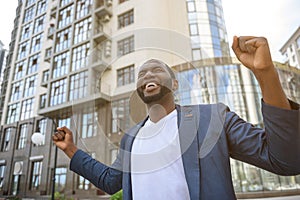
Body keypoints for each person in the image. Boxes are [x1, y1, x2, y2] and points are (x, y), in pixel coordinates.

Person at [52, 36, 300, 200]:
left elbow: (285, 161)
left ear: (175, 82)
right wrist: (71, 149)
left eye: (157, 70)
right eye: (142, 73)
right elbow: (110, 181)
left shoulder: (212, 118)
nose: (148, 74)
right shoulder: (131, 138)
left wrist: (266, 74)